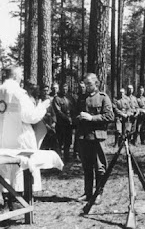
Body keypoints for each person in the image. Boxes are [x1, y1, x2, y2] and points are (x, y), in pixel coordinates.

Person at [0, 66, 50, 210]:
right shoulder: (19, 94)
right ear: (15, 76)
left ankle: (6, 200)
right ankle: (17, 201)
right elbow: (30, 117)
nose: (21, 78)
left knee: (3, 168)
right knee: (19, 168)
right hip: (18, 138)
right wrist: (43, 107)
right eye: (20, 75)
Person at [76, 73, 114, 204]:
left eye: (89, 84)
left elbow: (109, 116)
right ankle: (87, 193)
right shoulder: (82, 98)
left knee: (99, 167)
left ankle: (98, 194)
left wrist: (92, 118)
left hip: (97, 137)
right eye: (85, 84)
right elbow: (76, 114)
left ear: (96, 84)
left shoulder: (103, 97)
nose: (87, 86)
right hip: (84, 136)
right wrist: (79, 117)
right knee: (87, 167)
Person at [53, 83, 76, 162]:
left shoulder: (70, 98)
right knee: (60, 142)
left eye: (66, 89)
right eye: (63, 89)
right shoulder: (57, 99)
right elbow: (58, 111)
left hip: (69, 124)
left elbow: (74, 109)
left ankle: (66, 157)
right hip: (61, 124)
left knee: (68, 141)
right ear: (60, 89)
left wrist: (72, 119)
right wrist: (67, 118)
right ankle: (59, 159)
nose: (64, 91)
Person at [39, 85, 59, 152]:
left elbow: (53, 113)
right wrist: (45, 125)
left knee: (54, 145)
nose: (45, 92)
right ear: (41, 91)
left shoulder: (49, 101)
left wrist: (54, 122)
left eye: (47, 91)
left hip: (50, 126)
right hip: (42, 127)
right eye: (44, 91)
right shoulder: (38, 101)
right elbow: (38, 115)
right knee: (43, 146)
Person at [73, 81, 87, 159]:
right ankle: (76, 153)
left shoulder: (87, 96)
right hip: (78, 119)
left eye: (83, 87)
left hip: (86, 119)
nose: (82, 89)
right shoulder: (76, 97)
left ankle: (83, 154)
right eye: (80, 87)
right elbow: (74, 108)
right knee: (77, 137)